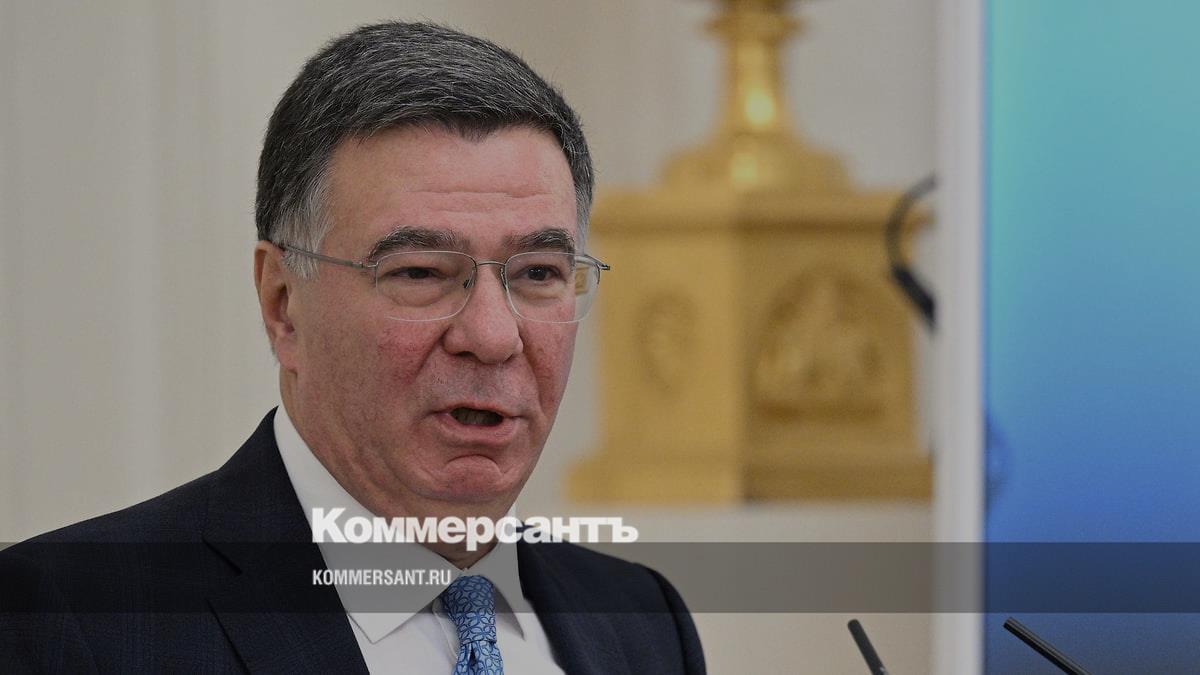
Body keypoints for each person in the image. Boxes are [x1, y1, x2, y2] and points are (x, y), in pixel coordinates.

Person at [0, 21, 704, 674]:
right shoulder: (73, 619)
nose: (493, 337)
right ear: (283, 304)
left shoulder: (643, 622)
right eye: (420, 273)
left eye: (539, 274)